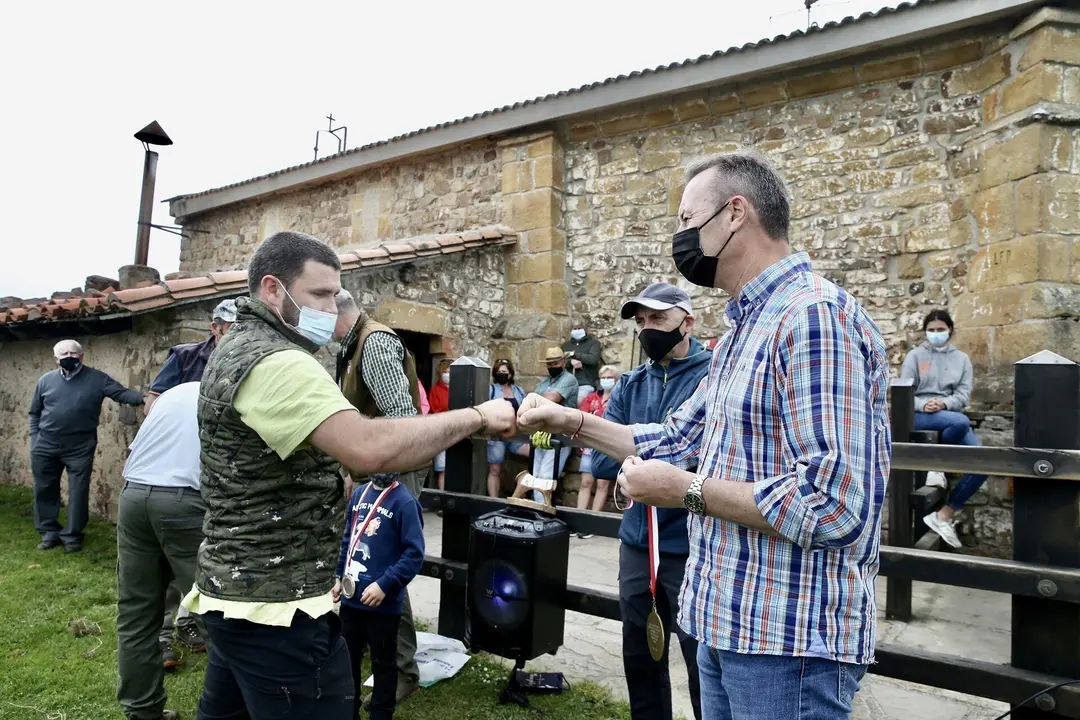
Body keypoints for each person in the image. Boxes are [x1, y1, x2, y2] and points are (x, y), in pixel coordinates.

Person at [518, 150, 890, 720]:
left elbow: (834, 506)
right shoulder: (746, 327)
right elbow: (673, 439)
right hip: (725, 623)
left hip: (784, 644)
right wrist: (569, 421)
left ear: (736, 213)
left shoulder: (813, 317)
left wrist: (686, 491)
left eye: (689, 222)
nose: (680, 238)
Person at [182, 230, 515, 720]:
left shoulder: (238, 346)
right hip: (279, 605)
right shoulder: (277, 362)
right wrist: (479, 417)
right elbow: (368, 448)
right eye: (318, 294)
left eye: (335, 295)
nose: (329, 306)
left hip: (236, 591)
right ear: (273, 289)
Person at [591, 283, 710, 719]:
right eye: (640, 322)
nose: (647, 330)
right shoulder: (629, 384)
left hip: (694, 545)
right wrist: (648, 468)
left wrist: (634, 456)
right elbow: (600, 464)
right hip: (637, 545)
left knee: (704, 663)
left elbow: (709, 456)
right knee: (640, 658)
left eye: (657, 319)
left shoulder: (713, 376)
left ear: (687, 322)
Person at [332, 288, 425, 705]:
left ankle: (401, 669)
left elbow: (401, 424)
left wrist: (376, 478)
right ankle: (382, 653)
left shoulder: (374, 343)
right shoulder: (355, 346)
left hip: (395, 473)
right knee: (367, 560)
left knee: (387, 564)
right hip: (378, 472)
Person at [147, 300, 237, 666]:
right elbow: (153, 404)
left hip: (220, 471)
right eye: (231, 327)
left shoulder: (243, 360)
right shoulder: (186, 358)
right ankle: (164, 633)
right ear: (215, 327)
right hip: (178, 468)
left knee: (208, 550)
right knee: (172, 555)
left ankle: (192, 621)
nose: (237, 333)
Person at [116, 382, 204, 720]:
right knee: (217, 610)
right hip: (184, 498)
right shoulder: (229, 390)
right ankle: (234, 708)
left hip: (135, 494)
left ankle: (142, 710)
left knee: (137, 612)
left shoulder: (173, 393)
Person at [29, 339, 143, 553]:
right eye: (63, 353)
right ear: (56, 359)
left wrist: (145, 399)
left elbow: (120, 393)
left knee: (78, 491)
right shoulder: (45, 381)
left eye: (73, 352)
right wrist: (35, 438)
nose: (68, 356)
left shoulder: (97, 379)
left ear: (81, 356)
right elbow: (35, 412)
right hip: (45, 445)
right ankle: (49, 533)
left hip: (80, 446)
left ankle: (72, 536)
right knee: (44, 489)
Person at [334, 471, 424, 720]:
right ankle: (348, 711)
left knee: (384, 664)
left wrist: (386, 585)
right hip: (351, 602)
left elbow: (414, 555)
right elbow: (347, 540)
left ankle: (381, 714)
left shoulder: (405, 502)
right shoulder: (359, 495)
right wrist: (339, 576)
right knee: (347, 661)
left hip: (384, 607)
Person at [901, 309, 985, 549]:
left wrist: (945, 403)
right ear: (925, 331)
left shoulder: (962, 359)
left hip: (949, 414)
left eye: (941, 329)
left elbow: (963, 395)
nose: (936, 334)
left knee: (983, 463)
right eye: (932, 330)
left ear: (950, 330)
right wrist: (923, 404)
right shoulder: (915, 356)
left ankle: (945, 514)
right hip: (920, 415)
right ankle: (936, 467)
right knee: (960, 423)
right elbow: (903, 392)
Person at [144, 299, 237, 414]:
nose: (240, 334)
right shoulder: (184, 356)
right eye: (233, 328)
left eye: (245, 328)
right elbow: (151, 407)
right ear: (214, 328)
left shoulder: (255, 359)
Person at [575, 364, 622, 529]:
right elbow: (583, 414)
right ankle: (579, 519)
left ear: (616, 380)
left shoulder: (619, 398)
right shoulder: (592, 397)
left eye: (610, 378)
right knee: (585, 482)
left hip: (608, 446)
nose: (606, 380)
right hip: (589, 446)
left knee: (603, 485)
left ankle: (592, 523)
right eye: (604, 377)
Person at [533, 347, 579, 480]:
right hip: (542, 433)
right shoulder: (545, 382)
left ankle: (542, 502)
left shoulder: (569, 379)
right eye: (550, 364)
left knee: (545, 477)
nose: (552, 367)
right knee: (535, 475)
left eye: (555, 363)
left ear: (563, 363)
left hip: (561, 434)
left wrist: (538, 398)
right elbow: (532, 398)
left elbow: (552, 399)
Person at [486, 359, 528, 498]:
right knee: (495, 469)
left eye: (504, 372)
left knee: (534, 454)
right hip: (497, 436)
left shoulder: (518, 391)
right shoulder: (491, 390)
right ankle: (493, 501)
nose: (501, 374)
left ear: (510, 374)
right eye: (498, 372)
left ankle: (522, 495)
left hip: (516, 435)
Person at [563, 323, 603, 406]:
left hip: (585, 383)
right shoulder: (566, 345)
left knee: (578, 402)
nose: (577, 330)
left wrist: (574, 354)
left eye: (579, 328)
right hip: (567, 383)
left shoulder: (594, 343)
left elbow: (593, 359)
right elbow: (561, 361)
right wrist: (570, 362)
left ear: (585, 329)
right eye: (575, 328)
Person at [429, 358, 452, 490]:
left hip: (457, 430)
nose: (447, 375)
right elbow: (434, 408)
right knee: (442, 468)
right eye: (445, 372)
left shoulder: (458, 389)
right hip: (442, 430)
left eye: (450, 372)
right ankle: (442, 496)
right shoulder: (435, 390)